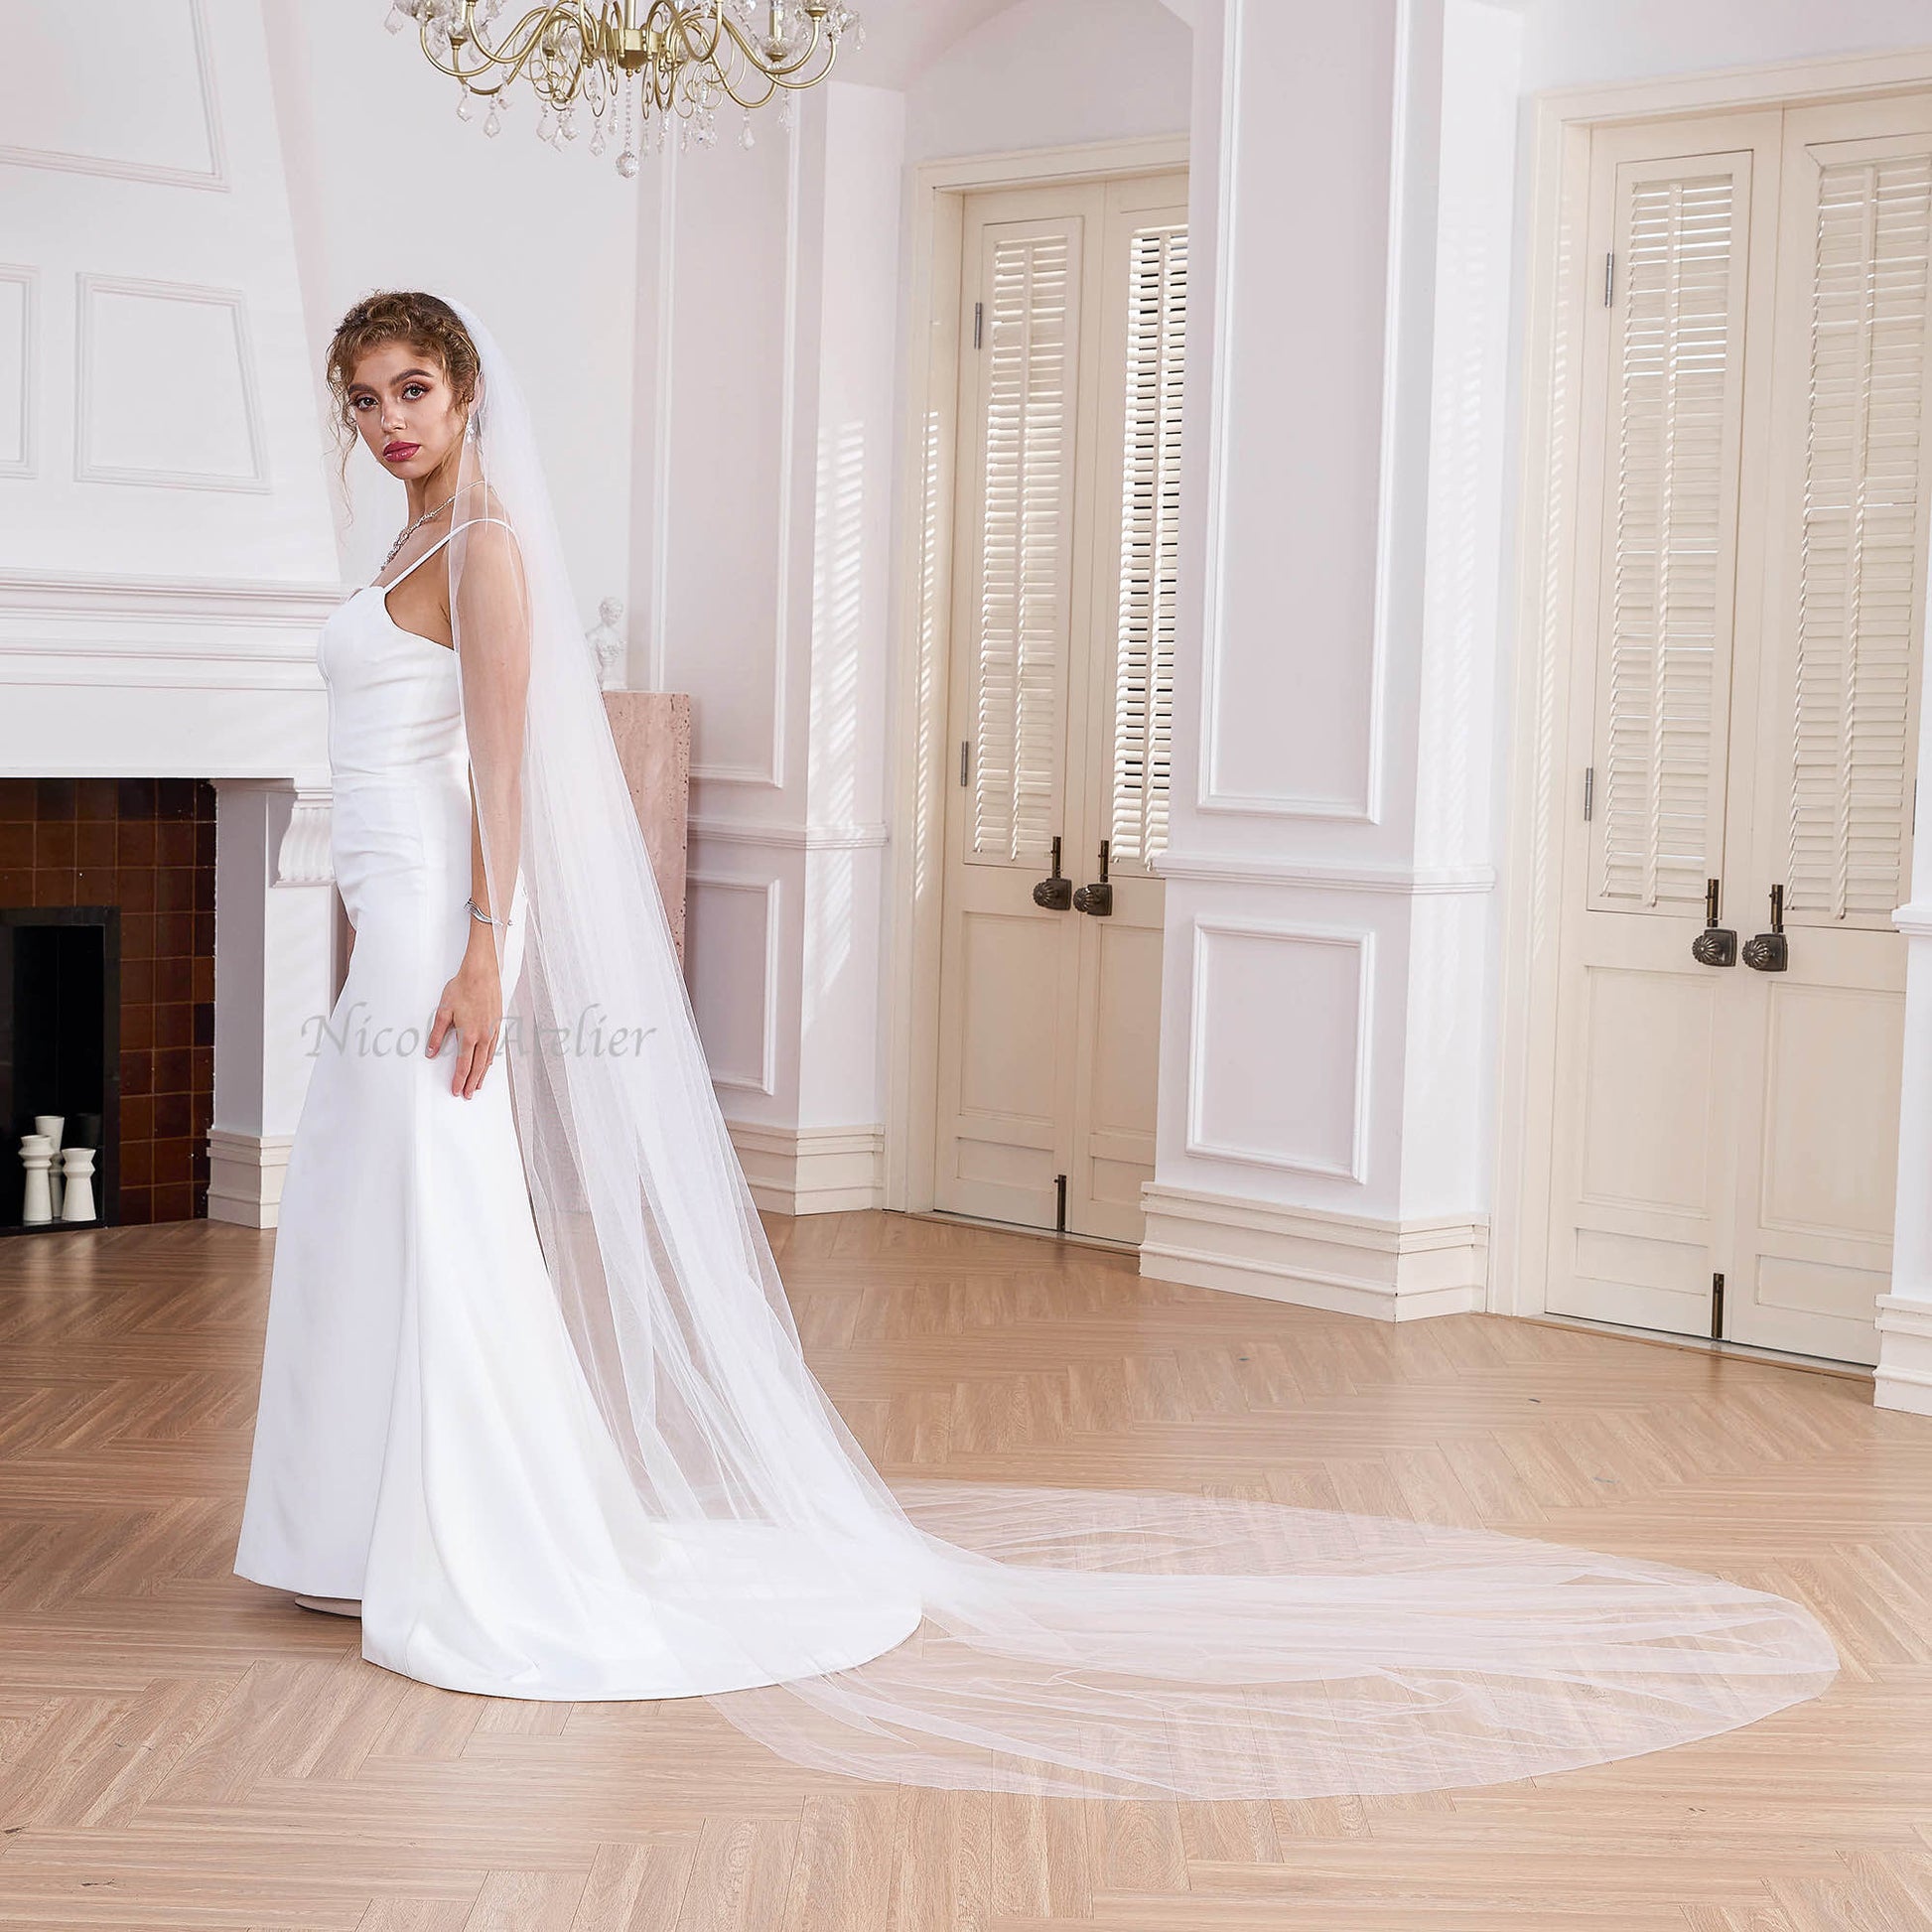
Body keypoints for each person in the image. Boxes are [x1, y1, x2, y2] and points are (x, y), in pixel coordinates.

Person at [235, 290, 1838, 1800]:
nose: (388, 417)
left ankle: (479, 1536)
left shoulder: (490, 549)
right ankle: (361, 1527)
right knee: (368, 1214)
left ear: (467, 390)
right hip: (386, 924)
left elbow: (504, 771)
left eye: (413, 390)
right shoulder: (411, 532)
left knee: (435, 1218)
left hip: (442, 939)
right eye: (364, 399)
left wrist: (489, 948)